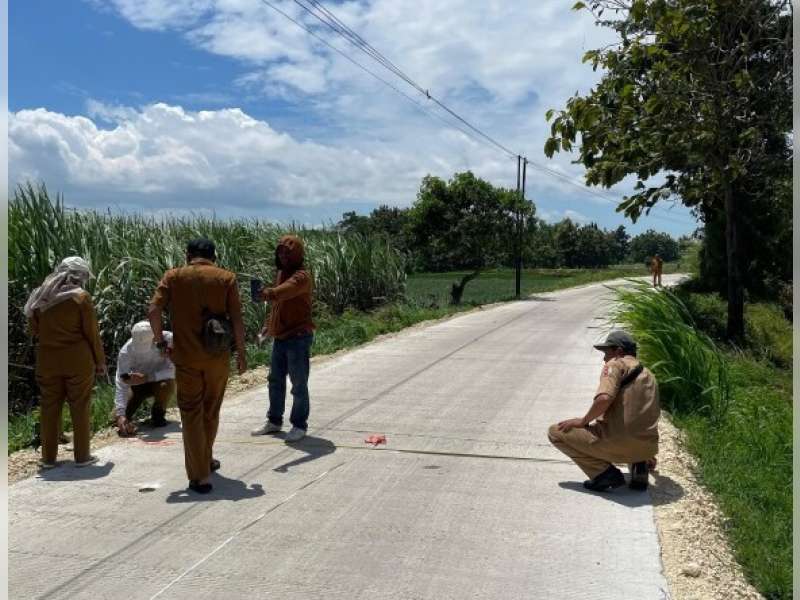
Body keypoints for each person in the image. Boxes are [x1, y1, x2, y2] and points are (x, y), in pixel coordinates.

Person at [148, 239, 247, 494]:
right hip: (218, 358)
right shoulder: (226, 278)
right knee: (211, 410)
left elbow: (154, 311)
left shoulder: (174, 276)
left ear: (188, 255)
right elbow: (236, 317)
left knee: (191, 414)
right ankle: (207, 458)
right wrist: (242, 353)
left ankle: (200, 476)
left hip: (186, 359)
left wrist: (160, 342)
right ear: (213, 256)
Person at [547, 330, 660, 492]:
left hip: (616, 445)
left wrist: (582, 421)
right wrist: (646, 452)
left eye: (607, 352)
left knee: (555, 432)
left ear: (618, 352)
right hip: (646, 447)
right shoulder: (649, 374)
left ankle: (604, 474)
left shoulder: (615, 364)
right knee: (632, 429)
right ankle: (639, 467)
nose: (604, 358)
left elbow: (604, 398)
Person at [24, 256, 106, 469]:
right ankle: (82, 457)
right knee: (80, 406)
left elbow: (34, 330)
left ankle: (48, 459)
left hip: (47, 360)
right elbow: (92, 334)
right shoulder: (80, 297)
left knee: (49, 408)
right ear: (80, 276)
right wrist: (100, 361)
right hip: (77, 360)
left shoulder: (40, 297)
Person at [251, 235, 315, 443]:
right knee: (275, 381)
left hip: (298, 337)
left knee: (298, 384)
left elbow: (284, 292)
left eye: (288, 252)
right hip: (281, 337)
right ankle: (274, 421)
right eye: (280, 252)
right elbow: (278, 304)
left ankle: (299, 425)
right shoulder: (282, 273)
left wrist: (266, 293)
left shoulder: (302, 276)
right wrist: (269, 326)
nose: (283, 256)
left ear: (297, 254)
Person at [114, 321, 176, 436]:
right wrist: (120, 414)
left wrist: (148, 378)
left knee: (165, 386)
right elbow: (121, 381)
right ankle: (125, 419)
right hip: (137, 386)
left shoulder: (169, 340)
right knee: (117, 417)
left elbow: (174, 371)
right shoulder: (125, 352)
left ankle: (158, 414)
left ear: (154, 337)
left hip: (160, 382)